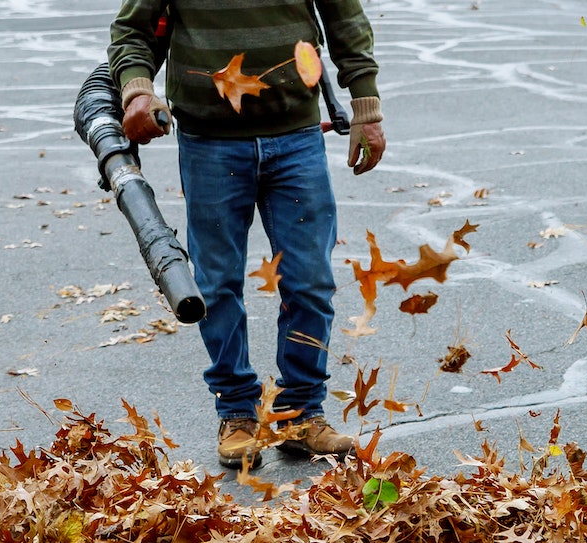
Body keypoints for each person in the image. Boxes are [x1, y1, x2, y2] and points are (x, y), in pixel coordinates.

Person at [107, 0, 387, 469]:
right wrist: (137, 90)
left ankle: (301, 414)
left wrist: (366, 106)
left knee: (310, 280)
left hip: (296, 135)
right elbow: (132, 31)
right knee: (216, 285)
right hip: (209, 141)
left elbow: (346, 19)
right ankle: (236, 412)